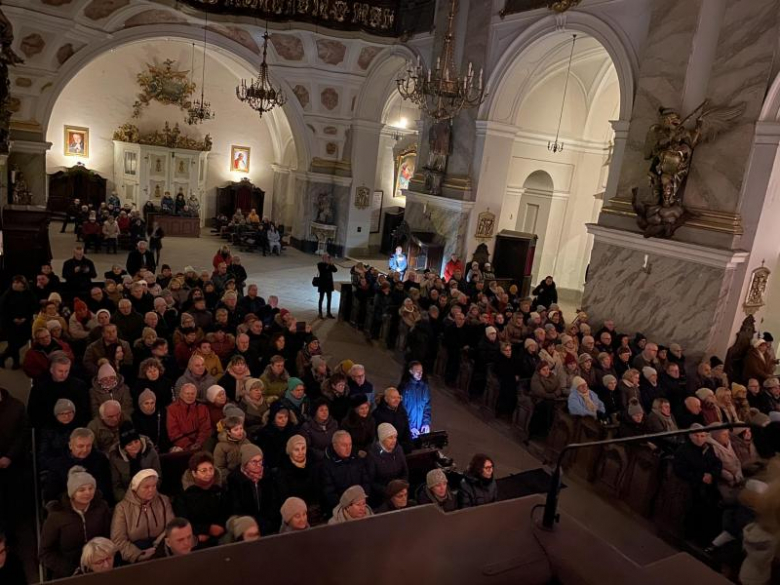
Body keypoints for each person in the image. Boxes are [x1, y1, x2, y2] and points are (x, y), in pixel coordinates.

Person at [40, 467, 112, 579]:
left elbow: (108, 536)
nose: (88, 493)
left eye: (91, 488)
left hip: (100, 566)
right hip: (69, 572)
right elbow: (46, 552)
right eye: (81, 490)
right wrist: (70, 570)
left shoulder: (102, 508)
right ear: (72, 493)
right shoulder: (57, 516)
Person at [111, 469, 173, 563]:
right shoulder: (122, 508)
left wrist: (157, 547)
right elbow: (118, 540)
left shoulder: (163, 501)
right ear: (135, 489)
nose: (151, 490)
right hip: (134, 552)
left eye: (154, 486)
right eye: (146, 487)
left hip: (161, 547)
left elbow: (171, 527)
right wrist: (138, 554)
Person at [44, 427, 113, 505]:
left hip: (95, 504)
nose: (85, 450)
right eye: (80, 446)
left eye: (88, 446)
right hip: (66, 506)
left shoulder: (100, 460)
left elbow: (106, 489)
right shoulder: (58, 464)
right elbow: (51, 494)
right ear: (70, 445)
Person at [174, 451, 228, 548]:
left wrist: (220, 527)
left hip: (220, 532)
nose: (209, 473)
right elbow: (183, 520)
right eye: (204, 470)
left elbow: (226, 512)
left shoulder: (219, 489)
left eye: (211, 469)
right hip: (196, 535)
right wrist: (206, 530)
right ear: (194, 473)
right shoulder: (185, 494)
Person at [226, 444, 278, 534]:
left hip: (268, 525)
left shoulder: (268, 475)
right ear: (245, 463)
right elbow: (236, 508)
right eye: (254, 462)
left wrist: (268, 523)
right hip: (246, 527)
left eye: (260, 461)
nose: (258, 465)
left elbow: (274, 502)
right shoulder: (234, 480)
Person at [108, 424, 162, 502]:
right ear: (124, 447)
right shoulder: (115, 458)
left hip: (151, 494)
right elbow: (116, 485)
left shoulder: (150, 452)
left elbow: (158, 477)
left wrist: (149, 493)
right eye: (129, 444)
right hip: (128, 498)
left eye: (136, 441)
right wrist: (128, 500)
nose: (135, 446)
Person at [320, 430, 370, 512]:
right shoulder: (326, 465)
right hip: (341, 508)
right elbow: (329, 493)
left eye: (350, 444)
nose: (348, 448)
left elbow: (366, 481)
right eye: (344, 445)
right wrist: (348, 506)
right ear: (334, 446)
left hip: (361, 503)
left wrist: (362, 501)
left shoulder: (357, 459)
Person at [366, 423, 409, 506]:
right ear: (382, 439)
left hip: (400, 491)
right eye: (390, 438)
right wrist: (388, 491)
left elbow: (405, 472)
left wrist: (402, 487)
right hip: (382, 496)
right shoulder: (372, 455)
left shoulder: (399, 450)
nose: (394, 440)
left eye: (395, 437)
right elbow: (371, 481)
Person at [0, 275, 38, 369]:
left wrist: (25, 318)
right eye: (14, 282)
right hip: (10, 323)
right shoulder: (7, 294)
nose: (15, 284)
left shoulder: (29, 294)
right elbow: (3, 309)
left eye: (18, 282)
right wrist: (13, 318)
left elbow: (33, 307)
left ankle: (2, 357)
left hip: (25, 322)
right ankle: (15, 363)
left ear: (23, 284)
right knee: (13, 342)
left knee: (21, 342)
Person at [274, 435, 320, 510]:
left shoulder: (314, 464)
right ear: (290, 451)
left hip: (315, 509)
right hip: (295, 510)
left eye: (303, 448)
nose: (301, 452)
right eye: (296, 450)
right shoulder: (283, 471)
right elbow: (284, 497)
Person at [166, 383, 211, 452]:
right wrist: (188, 445)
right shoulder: (172, 409)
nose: (190, 396)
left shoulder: (202, 408)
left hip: (200, 444)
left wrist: (199, 443)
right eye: (187, 393)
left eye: (192, 394)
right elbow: (173, 431)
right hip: (180, 444)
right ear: (181, 394)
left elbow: (205, 429)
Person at [372, 387, 413, 454]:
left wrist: (409, 444)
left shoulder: (402, 411)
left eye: (398, 397)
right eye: (393, 398)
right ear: (386, 399)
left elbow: (407, 430)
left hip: (403, 447)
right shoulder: (378, 414)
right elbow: (379, 436)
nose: (397, 400)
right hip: (388, 449)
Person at [397, 361, 431, 439]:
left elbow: (427, 408)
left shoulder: (424, 387)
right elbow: (401, 409)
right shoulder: (404, 388)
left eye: (421, 371)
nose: (420, 374)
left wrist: (426, 423)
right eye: (417, 371)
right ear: (411, 371)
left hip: (419, 430)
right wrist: (410, 427)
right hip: (405, 430)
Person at [315, 253, 338, 319]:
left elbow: (335, 270)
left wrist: (331, 263)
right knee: (321, 299)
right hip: (322, 284)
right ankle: (320, 313)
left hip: (329, 284)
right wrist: (328, 264)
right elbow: (323, 271)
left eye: (328, 257)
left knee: (329, 299)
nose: (327, 258)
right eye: (326, 257)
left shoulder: (330, 264)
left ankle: (328, 313)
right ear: (323, 258)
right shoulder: (320, 264)